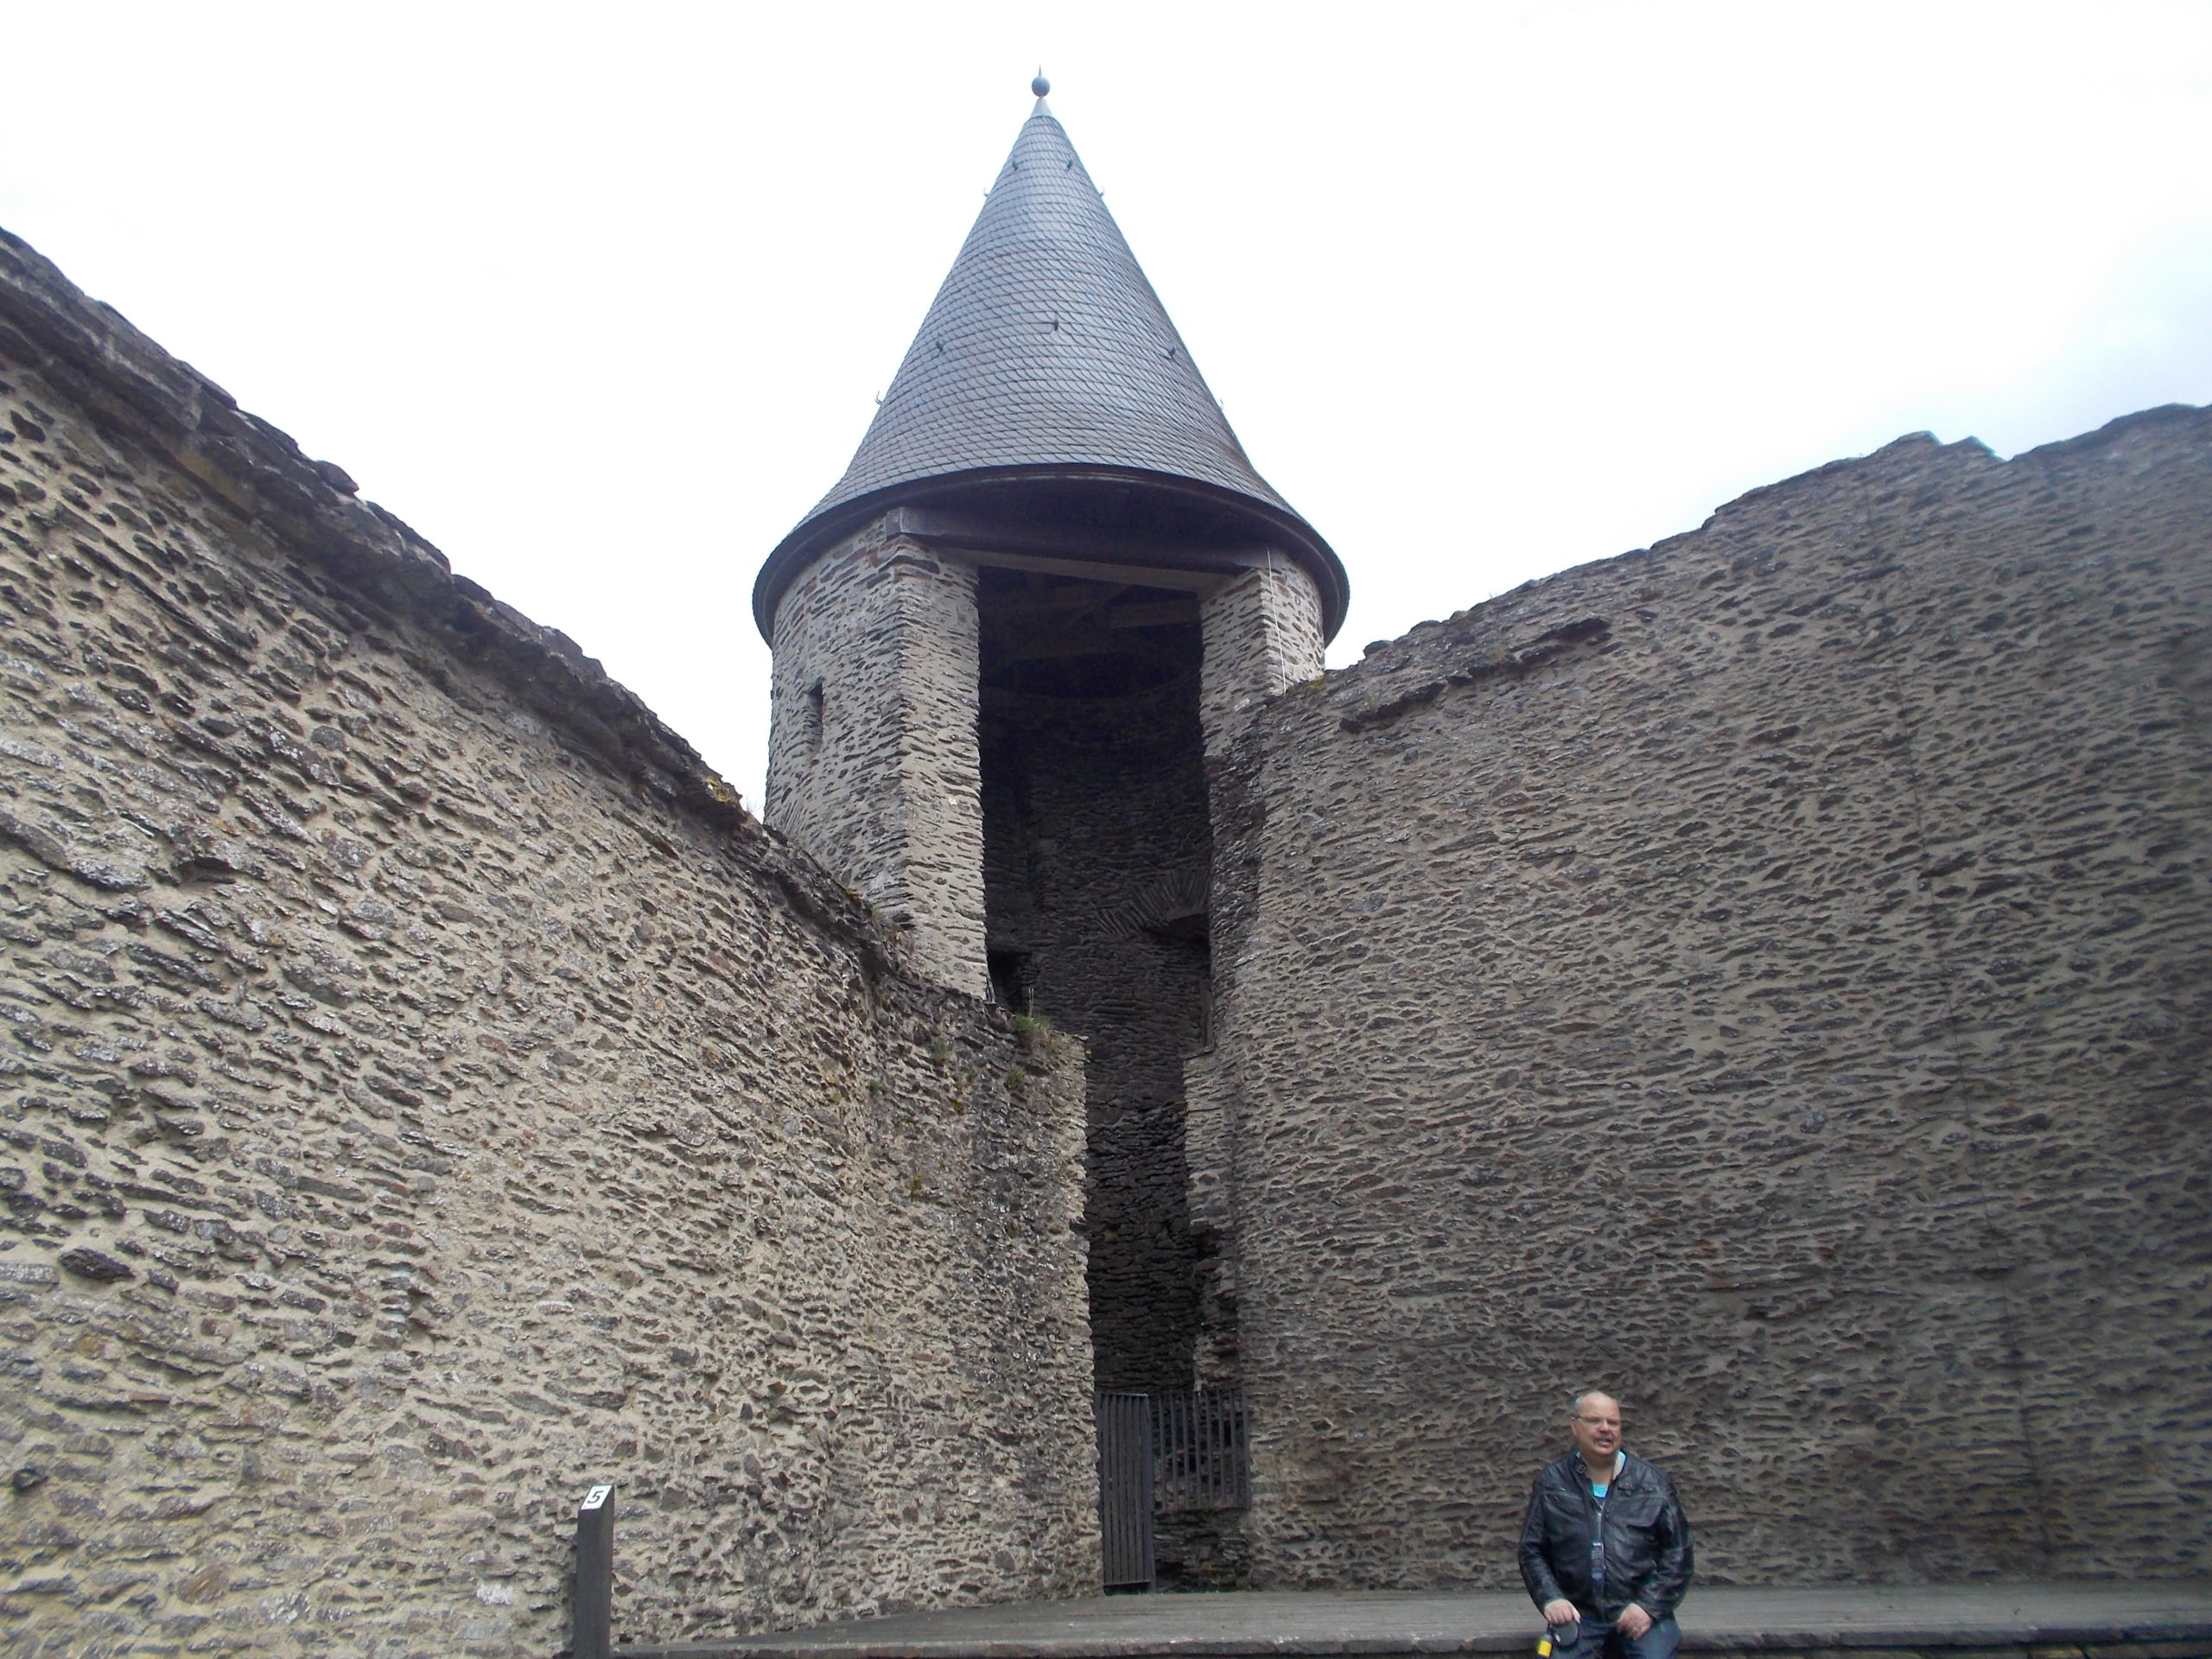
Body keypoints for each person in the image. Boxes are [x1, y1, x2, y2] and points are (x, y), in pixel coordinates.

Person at [1517, 1390, 1693, 1659]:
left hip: (1640, 1612)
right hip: (1579, 1614)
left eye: (1613, 1423)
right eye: (1594, 1421)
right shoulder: (1552, 1484)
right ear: (1574, 1426)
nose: (1605, 1429)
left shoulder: (1653, 1484)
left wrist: (1648, 1606)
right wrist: (1551, 1598)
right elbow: (1532, 1550)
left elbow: (1679, 1552)